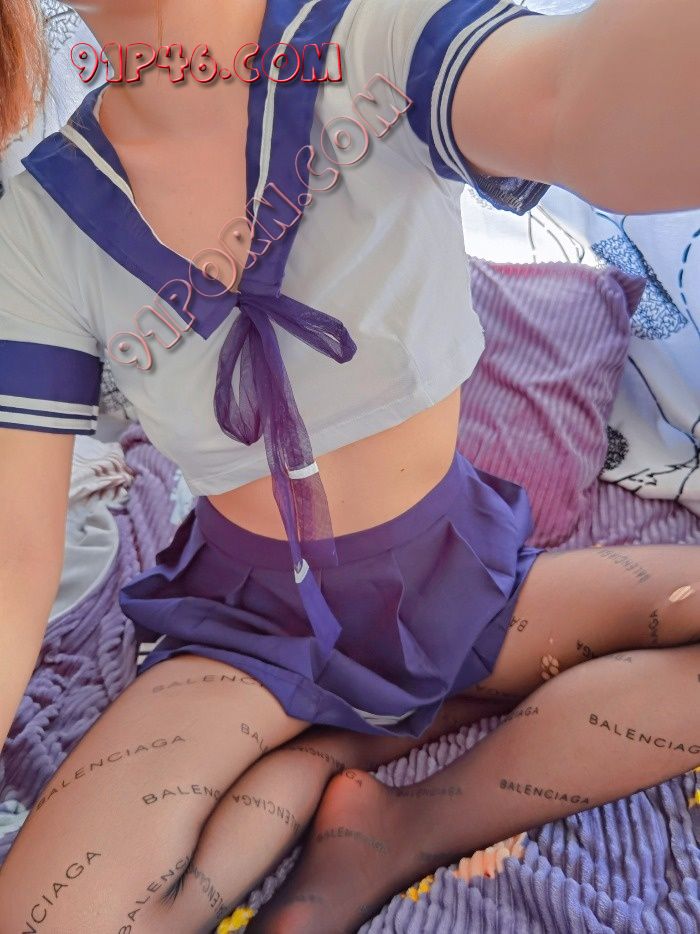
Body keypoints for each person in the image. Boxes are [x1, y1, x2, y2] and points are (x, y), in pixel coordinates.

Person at [0, 1, 698, 931]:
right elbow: (13, 560)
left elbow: (583, 99)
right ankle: (343, 743)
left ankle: (400, 826)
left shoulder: (379, 40)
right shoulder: (40, 224)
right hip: (247, 634)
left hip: (466, 586)